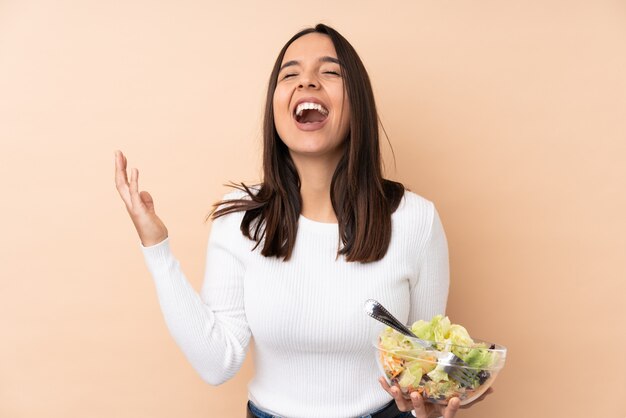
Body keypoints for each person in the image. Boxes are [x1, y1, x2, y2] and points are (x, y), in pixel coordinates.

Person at [114, 23, 491, 418]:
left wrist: (431, 404)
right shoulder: (240, 219)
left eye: (329, 72)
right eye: (289, 74)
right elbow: (217, 362)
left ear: (357, 101)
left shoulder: (416, 220)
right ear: (275, 106)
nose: (306, 82)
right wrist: (156, 247)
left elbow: (421, 370)